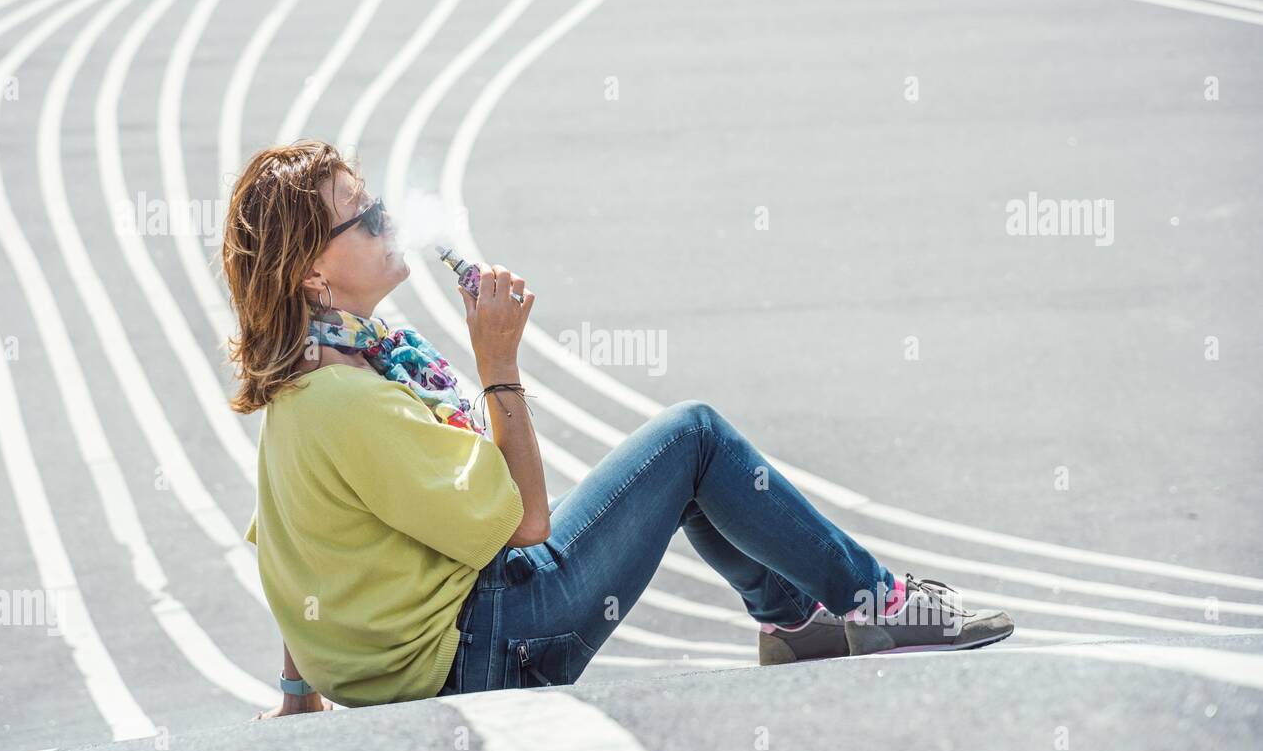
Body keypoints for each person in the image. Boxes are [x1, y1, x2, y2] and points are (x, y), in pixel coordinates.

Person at [221, 141, 1014, 718]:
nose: (389, 222)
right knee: (693, 438)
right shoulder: (358, 401)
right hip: (483, 655)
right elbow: (528, 525)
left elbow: (300, 553)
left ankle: (795, 623)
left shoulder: (308, 382)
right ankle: (879, 605)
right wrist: (498, 362)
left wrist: (300, 695)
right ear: (314, 276)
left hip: (438, 649)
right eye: (367, 219)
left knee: (660, 473)